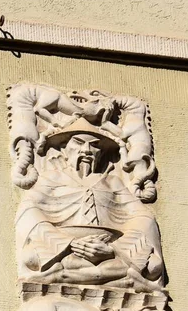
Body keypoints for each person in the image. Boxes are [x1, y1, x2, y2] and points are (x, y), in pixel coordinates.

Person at [16, 118, 164, 292]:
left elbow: (142, 216)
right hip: (65, 249)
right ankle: (121, 278)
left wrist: (112, 249)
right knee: (31, 257)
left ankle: (62, 275)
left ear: (100, 153)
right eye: (78, 143)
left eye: (94, 146)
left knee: (153, 265)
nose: (86, 151)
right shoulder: (52, 177)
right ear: (64, 149)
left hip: (108, 249)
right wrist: (69, 244)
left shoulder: (112, 182)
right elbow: (28, 208)